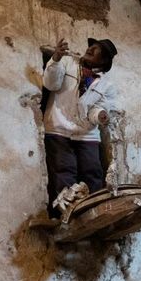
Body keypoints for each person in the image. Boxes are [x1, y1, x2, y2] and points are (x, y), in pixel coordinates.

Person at [42, 37, 118, 218]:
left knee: (92, 173)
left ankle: (94, 214)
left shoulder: (107, 86)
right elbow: (50, 84)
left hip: (87, 134)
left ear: (104, 61)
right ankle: (67, 215)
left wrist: (100, 115)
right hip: (58, 128)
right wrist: (56, 59)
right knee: (64, 170)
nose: (91, 48)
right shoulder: (67, 62)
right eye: (91, 46)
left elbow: (98, 109)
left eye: (97, 49)